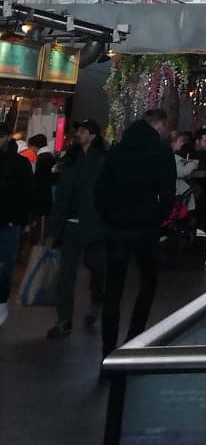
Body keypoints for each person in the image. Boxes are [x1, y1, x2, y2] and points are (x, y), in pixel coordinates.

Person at [95, 108, 176, 355]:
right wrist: (156, 220)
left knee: (113, 290)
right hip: (145, 229)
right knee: (148, 282)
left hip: (117, 228)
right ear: (159, 126)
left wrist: (109, 219)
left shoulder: (117, 150)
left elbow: (100, 190)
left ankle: (107, 350)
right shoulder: (161, 152)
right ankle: (134, 338)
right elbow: (168, 194)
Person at [47, 119, 107, 338]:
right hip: (71, 223)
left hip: (94, 224)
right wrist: (55, 225)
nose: (78, 134)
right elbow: (62, 194)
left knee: (97, 269)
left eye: (83, 130)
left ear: (92, 135)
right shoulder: (70, 159)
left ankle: (95, 303)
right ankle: (64, 318)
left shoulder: (102, 159)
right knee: (66, 274)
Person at [0, 126, 34, 327]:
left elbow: (26, 193)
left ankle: (1, 302)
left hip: (9, 221)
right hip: (10, 220)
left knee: (4, 265)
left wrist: (20, 219)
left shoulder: (20, 163)